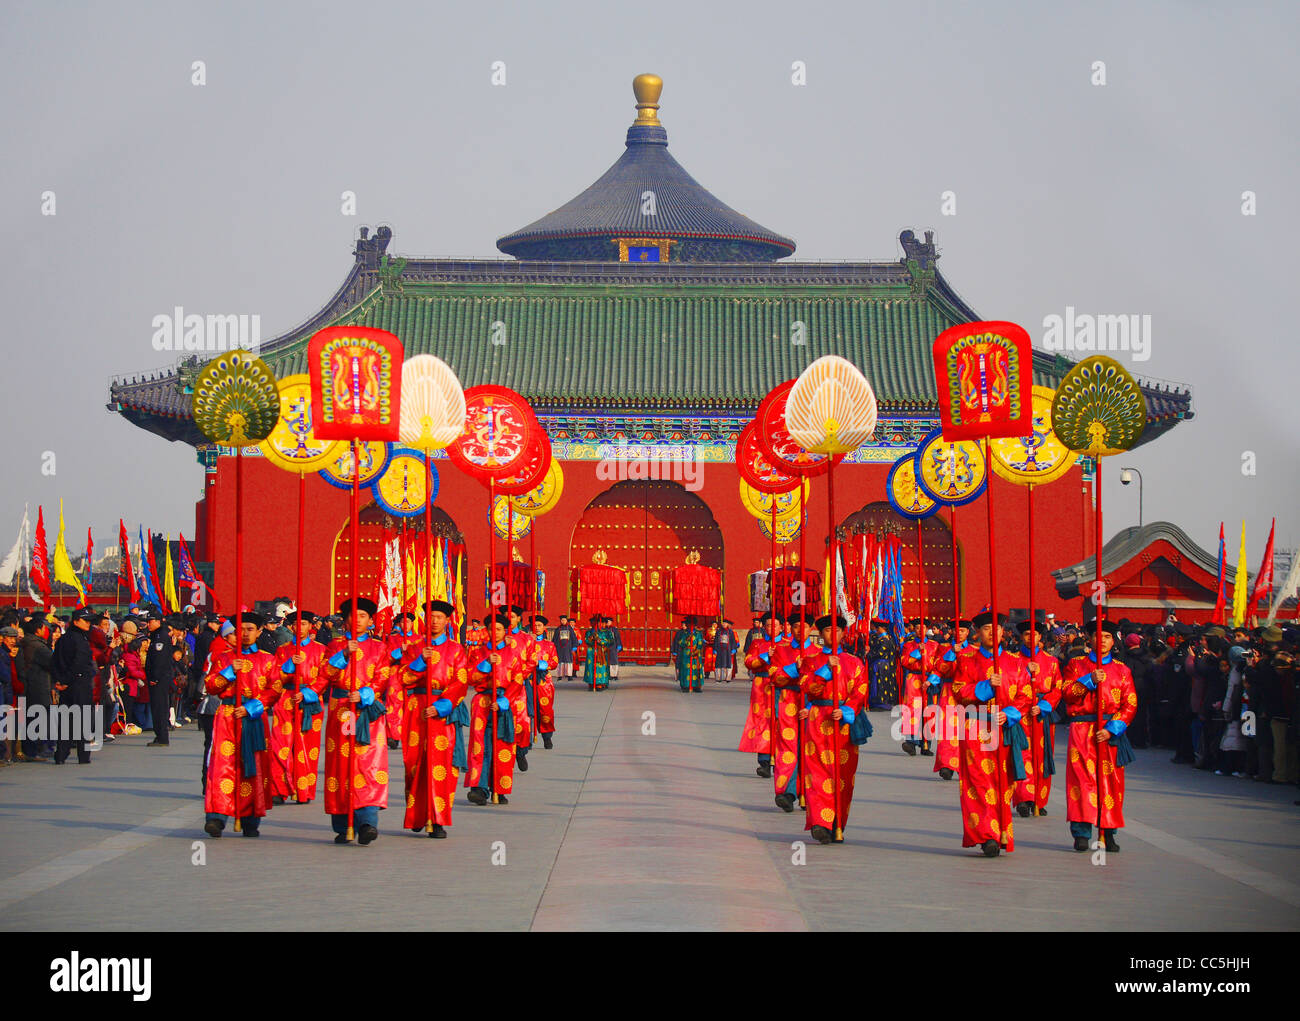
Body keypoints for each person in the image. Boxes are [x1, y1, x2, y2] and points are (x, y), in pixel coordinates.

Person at [951, 611, 1034, 858]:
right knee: (978, 782)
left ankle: (1001, 831)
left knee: (1002, 782)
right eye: (987, 628)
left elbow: (1026, 695)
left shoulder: (1016, 663)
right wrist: (985, 687)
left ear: (1003, 632)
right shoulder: (967, 660)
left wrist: (1009, 713)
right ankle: (986, 834)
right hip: (976, 726)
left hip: (1004, 727)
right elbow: (958, 691)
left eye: (996, 629)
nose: (992, 633)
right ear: (978, 632)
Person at [319, 597, 399, 845]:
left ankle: (366, 822)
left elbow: (383, 676)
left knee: (367, 763)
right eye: (353, 615)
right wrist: (344, 654)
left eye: (363, 615)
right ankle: (343, 824)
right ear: (345, 620)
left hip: (366, 712)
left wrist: (365, 693)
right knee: (342, 764)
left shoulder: (379, 647)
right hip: (341, 709)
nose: (358, 619)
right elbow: (325, 674)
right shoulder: (334, 646)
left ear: (371, 620)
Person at [786, 613, 871, 844]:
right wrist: (825, 671)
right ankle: (820, 822)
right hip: (819, 720)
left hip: (843, 723)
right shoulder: (811, 660)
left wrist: (847, 710)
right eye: (827, 630)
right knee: (817, 773)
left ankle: (837, 822)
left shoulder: (854, 662)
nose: (833, 634)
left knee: (842, 777)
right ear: (821, 634)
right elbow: (807, 686)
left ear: (844, 633)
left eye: (837, 630)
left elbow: (861, 690)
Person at [202, 612, 282, 838]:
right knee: (221, 767)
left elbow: (274, 689)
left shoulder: (268, 659)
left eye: (250, 629)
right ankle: (216, 817)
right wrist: (229, 672)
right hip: (227, 716)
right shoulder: (225, 658)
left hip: (253, 718)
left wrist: (252, 707)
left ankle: (250, 819)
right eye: (241, 629)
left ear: (258, 632)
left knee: (252, 767)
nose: (245, 634)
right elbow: (210, 686)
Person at [1060, 620, 1137, 853]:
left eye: (1106, 636)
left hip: (1109, 731)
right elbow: (1066, 693)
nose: (1101, 640)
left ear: (1113, 641)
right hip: (1082, 729)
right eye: (1097, 636)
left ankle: (1108, 831)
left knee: (1110, 782)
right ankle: (1082, 832)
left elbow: (1130, 703)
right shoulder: (1076, 665)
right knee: (1082, 781)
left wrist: (1113, 728)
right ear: (1089, 639)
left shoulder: (1123, 670)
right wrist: (1088, 682)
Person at [397, 600, 469, 837]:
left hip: (441, 711)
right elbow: (403, 678)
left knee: (441, 766)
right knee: (414, 764)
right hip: (416, 708)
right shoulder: (415, 646)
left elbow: (460, 682)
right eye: (431, 616)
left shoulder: (456, 649)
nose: (435, 621)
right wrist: (419, 661)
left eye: (439, 617)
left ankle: (437, 820)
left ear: (447, 621)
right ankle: (417, 813)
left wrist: (443, 705)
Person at [465, 612, 529, 806]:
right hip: (483, 702)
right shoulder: (478, 653)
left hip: (503, 703)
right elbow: (468, 676)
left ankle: (499, 788)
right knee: (480, 746)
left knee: (503, 747)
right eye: (492, 629)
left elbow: (518, 680)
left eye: (499, 629)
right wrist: (485, 665)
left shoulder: (513, 654)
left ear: (504, 631)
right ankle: (479, 788)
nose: (496, 632)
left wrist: (504, 701)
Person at [271, 610, 328, 804]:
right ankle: (279, 789)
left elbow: (325, 676)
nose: (300, 627)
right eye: (296, 624)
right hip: (286, 699)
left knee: (307, 747)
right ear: (291, 626)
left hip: (310, 700)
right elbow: (273, 677)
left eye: (304, 623)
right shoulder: (283, 649)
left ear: (309, 626)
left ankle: (304, 790)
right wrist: (287, 667)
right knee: (281, 745)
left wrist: (309, 692)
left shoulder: (321, 650)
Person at [1015, 616, 1063, 817]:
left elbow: (1058, 688)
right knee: (1021, 754)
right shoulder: (1013, 660)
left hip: (1042, 715)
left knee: (1042, 756)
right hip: (1020, 713)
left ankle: (1039, 799)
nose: (1030, 638)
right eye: (1026, 634)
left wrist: (1044, 705)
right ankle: (1024, 798)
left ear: (1040, 636)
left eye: (1034, 634)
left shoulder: (1051, 662)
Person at [52, 607, 99, 765]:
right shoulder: (79, 640)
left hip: (66, 686)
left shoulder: (64, 639)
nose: (89, 624)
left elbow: (55, 662)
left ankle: (61, 755)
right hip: (78, 685)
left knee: (66, 722)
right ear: (77, 621)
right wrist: (65, 681)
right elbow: (78, 664)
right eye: (86, 621)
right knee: (83, 721)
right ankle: (83, 756)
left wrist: (59, 681)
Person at [739, 611, 783, 780]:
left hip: (780, 687)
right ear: (764, 627)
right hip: (762, 686)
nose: (772, 628)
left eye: (775, 625)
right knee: (763, 723)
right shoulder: (758, 643)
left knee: (781, 722)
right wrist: (765, 657)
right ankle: (764, 761)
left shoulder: (787, 644)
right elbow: (749, 662)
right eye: (769, 625)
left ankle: (779, 760)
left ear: (781, 627)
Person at [931, 618, 973, 780]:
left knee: (967, 730)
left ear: (968, 632)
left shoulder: (974, 650)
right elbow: (938, 668)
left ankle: (965, 765)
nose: (959, 633)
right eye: (957, 630)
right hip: (949, 691)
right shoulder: (945, 648)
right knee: (947, 728)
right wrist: (951, 655)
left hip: (968, 692)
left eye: (963, 630)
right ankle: (947, 764)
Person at [899, 618, 940, 757]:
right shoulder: (908, 645)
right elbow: (904, 661)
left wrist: (931, 680)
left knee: (929, 711)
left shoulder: (935, 645)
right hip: (914, 679)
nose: (919, 630)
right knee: (911, 709)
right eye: (917, 628)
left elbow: (938, 665)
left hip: (929, 679)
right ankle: (910, 741)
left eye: (922, 628)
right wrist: (917, 652)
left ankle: (926, 744)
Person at [145, 616, 187, 747]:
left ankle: (162, 736)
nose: (148, 624)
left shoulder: (160, 637)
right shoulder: (156, 635)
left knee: (160, 707)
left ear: (158, 621)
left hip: (160, 679)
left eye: (150, 621)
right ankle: (160, 735)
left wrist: (155, 678)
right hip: (160, 678)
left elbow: (159, 660)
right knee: (157, 707)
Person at [18, 618, 55, 760]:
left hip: (33, 684)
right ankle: (32, 752)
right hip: (37, 685)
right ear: (38, 629)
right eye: (46, 628)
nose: (48, 631)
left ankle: (33, 750)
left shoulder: (30, 643)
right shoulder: (38, 647)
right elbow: (52, 662)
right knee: (35, 720)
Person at [530, 615, 557, 749]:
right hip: (528, 679)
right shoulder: (527, 643)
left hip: (544, 681)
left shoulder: (549, 645)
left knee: (545, 710)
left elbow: (554, 662)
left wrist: (541, 664)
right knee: (528, 709)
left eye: (539, 625)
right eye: (535, 626)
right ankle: (526, 739)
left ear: (544, 627)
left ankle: (547, 736)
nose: (537, 628)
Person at [671, 617, 705, 693]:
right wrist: (687, 640)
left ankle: (696, 686)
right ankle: (685, 686)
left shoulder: (698, 633)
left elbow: (700, 643)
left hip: (696, 653)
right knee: (685, 669)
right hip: (686, 652)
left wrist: (696, 650)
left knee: (696, 670)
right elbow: (681, 643)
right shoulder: (684, 633)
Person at [583, 615, 615, 692]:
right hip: (591, 652)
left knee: (601, 668)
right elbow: (586, 640)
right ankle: (591, 683)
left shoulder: (608, 632)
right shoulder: (590, 631)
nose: (602, 625)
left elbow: (611, 641)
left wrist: (601, 642)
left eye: (603, 623)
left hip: (602, 652)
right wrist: (592, 639)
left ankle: (601, 683)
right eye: (600, 623)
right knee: (591, 667)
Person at [552, 615, 578, 680]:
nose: (563, 621)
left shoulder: (569, 629)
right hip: (559, 648)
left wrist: (574, 646)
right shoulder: (558, 629)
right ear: (560, 621)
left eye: (564, 620)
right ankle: (559, 675)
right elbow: (554, 639)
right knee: (560, 661)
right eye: (562, 620)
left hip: (568, 648)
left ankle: (569, 675)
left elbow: (574, 638)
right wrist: (553, 646)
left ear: (566, 621)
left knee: (568, 661)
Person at [713, 618, 739, 683]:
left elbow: (733, 641)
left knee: (728, 663)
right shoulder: (718, 631)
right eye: (723, 623)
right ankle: (718, 678)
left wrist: (734, 649)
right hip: (719, 650)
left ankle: (728, 678)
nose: (724, 624)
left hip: (728, 650)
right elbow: (715, 641)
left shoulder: (730, 632)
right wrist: (715, 649)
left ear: (727, 624)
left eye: (725, 623)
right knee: (718, 664)